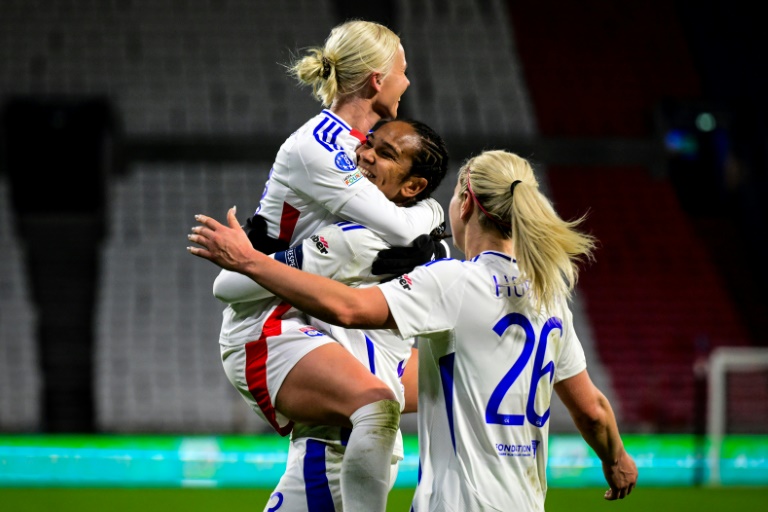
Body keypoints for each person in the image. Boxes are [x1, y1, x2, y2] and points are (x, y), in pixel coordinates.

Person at [188, 149, 639, 511]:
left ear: (465, 203)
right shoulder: (549, 298)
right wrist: (616, 459)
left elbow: (347, 308)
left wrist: (250, 262)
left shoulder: (455, 283)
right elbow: (593, 411)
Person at [223, 19, 446, 511]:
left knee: (352, 440)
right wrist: (435, 212)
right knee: (373, 408)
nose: (409, 82)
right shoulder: (324, 146)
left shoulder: (358, 149)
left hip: (311, 317)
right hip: (270, 321)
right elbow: (404, 230)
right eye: (402, 71)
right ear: (376, 80)